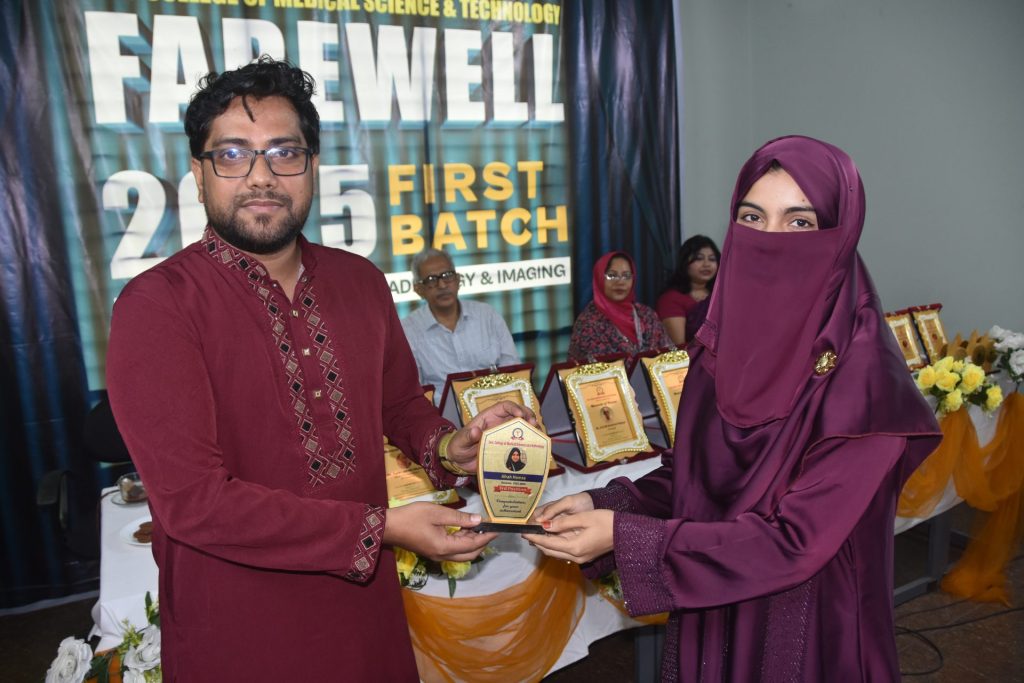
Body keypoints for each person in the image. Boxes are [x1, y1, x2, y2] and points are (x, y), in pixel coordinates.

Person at [105, 58, 532, 681]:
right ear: (198, 174)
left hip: (363, 606)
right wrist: (384, 528)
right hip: (238, 622)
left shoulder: (360, 281)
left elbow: (398, 405)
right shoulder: (157, 306)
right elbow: (195, 504)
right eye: (232, 154)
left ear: (311, 167)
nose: (261, 176)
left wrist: (450, 445)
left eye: (285, 152)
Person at [526, 136, 942, 681]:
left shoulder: (865, 379)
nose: (769, 241)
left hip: (806, 625)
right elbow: (692, 475)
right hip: (712, 601)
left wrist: (622, 535)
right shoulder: (721, 345)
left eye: (799, 222)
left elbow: (796, 543)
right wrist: (602, 501)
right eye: (752, 218)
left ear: (840, 236)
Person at [401, 247, 520, 403]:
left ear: (458, 280)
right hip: (442, 415)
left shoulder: (487, 315)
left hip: (496, 406)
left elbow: (513, 371)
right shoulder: (408, 330)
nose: (442, 285)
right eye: (431, 280)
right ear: (418, 290)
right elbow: (414, 392)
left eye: (447, 276)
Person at [567, 251, 671, 361]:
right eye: (612, 275)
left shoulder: (647, 315)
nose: (620, 282)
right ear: (599, 278)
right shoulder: (588, 323)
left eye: (626, 276)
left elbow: (668, 356)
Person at [656, 235, 720, 345]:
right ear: (684, 262)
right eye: (699, 258)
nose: (707, 264)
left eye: (712, 259)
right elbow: (679, 346)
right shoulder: (671, 299)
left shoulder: (720, 295)